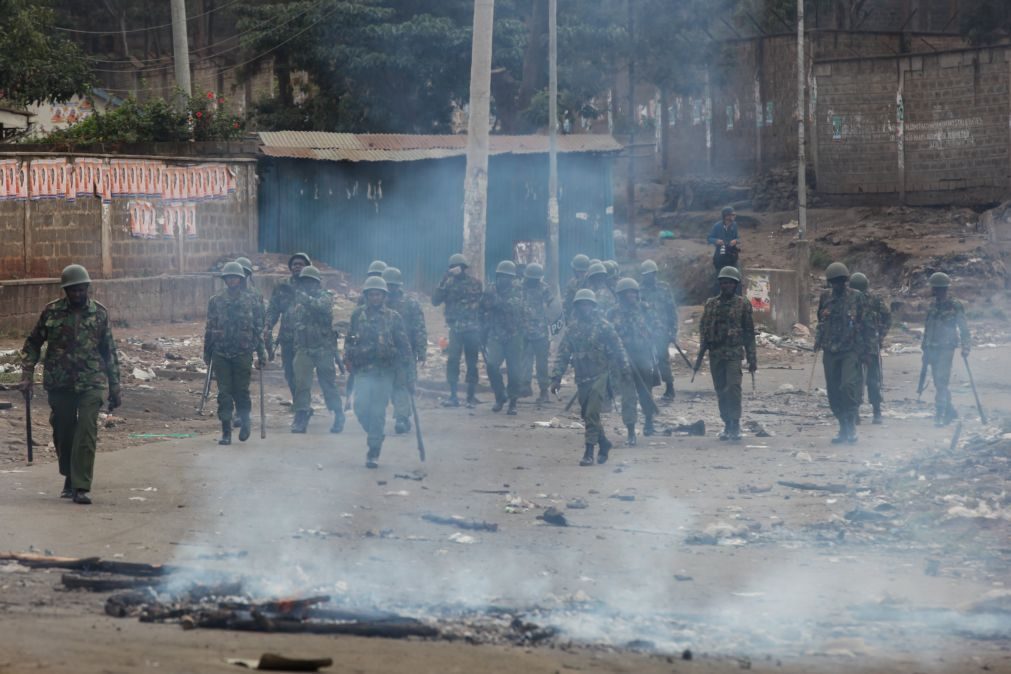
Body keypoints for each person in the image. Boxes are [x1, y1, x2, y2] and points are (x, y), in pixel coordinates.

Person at [19, 264, 121, 505]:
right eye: (72, 290)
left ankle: (81, 486)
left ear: (88, 288)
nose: (77, 294)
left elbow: (109, 352)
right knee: (64, 432)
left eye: (81, 289)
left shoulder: (99, 314)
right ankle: (69, 474)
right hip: (60, 383)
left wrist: (115, 386)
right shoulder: (51, 313)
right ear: (65, 290)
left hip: (91, 382)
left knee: (86, 431)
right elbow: (33, 343)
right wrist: (26, 374)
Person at [550, 289, 631, 466]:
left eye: (588, 304)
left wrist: (625, 370)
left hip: (600, 375)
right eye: (581, 304)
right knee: (587, 414)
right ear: (576, 307)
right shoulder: (572, 329)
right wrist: (556, 377)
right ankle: (604, 444)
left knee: (592, 413)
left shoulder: (604, 326)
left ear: (593, 306)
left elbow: (619, 348)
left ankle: (589, 452)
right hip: (582, 378)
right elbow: (563, 354)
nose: (584, 308)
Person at [344, 276, 415, 468]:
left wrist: (408, 371)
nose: (375, 298)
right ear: (366, 296)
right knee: (360, 406)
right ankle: (376, 433)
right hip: (363, 370)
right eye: (371, 295)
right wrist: (347, 357)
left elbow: (404, 345)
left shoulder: (393, 317)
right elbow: (350, 338)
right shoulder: (358, 315)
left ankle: (373, 449)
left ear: (384, 296)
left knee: (377, 410)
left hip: (385, 371)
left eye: (378, 295)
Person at [204, 262, 266, 445]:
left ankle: (245, 421)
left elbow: (256, 329)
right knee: (224, 393)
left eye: (235, 277)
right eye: (228, 277)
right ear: (225, 280)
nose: (232, 280)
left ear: (241, 279)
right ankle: (225, 431)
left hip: (242, 351)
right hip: (221, 352)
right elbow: (210, 327)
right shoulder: (215, 300)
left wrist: (261, 353)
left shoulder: (251, 300)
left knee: (241, 391)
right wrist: (206, 352)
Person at [815, 262, 872, 444]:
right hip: (830, 350)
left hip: (851, 349)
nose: (838, 285)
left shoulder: (857, 298)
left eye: (841, 281)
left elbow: (867, 325)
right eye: (834, 282)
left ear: (846, 281)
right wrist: (818, 340)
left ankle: (851, 424)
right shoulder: (825, 298)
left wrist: (868, 352)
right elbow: (820, 320)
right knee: (833, 392)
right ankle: (843, 426)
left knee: (848, 386)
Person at [698, 267, 757, 441]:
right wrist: (702, 350)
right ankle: (727, 423)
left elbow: (749, 333)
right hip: (716, 353)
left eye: (730, 282)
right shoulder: (711, 304)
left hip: (733, 354)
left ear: (736, 285)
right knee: (721, 390)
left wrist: (752, 358)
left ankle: (736, 423)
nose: (727, 285)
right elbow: (703, 328)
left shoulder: (742, 304)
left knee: (733, 387)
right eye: (724, 282)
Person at [289, 265, 344, 434]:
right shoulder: (298, 299)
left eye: (311, 282)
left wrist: (302, 298)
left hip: (323, 349)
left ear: (317, 283)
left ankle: (338, 413)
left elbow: (321, 308)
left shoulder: (325, 296)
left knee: (328, 385)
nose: (307, 284)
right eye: (304, 281)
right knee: (301, 384)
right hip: (304, 349)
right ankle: (301, 415)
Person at [608, 278, 659, 445]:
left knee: (646, 392)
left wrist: (648, 337)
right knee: (628, 396)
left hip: (643, 356)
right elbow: (607, 334)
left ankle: (649, 422)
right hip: (623, 359)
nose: (631, 295)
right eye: (627, 292)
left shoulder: (645, 309)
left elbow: (657, 328)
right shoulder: (613, 313)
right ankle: (631, 431)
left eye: (633, 292)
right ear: (621, 295)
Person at [432, 253, 483, 407]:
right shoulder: (447, 283)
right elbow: (435, 301)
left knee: (472, 363)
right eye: (453, 267)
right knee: (453, 361)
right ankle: (453, 396)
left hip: (472, 329)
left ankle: (471, 396)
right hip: (455, 330)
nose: (456, 269)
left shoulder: (475, 283)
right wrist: (443, 280)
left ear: (464, 267)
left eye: (458, 266)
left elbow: (481, 304)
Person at [921, 272, 971, 427]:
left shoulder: (955, 305)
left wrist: (966, 346)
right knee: (937, 381)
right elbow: (928, 327)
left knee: (941, 380)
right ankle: (950, 410)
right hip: (932, 348)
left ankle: (940, 413)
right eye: (936, 289)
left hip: (947, 347)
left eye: (939, 288)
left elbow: (964, 328)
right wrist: (924, 346)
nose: (936, 291)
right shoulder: (932, 305)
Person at [383, 266, 428, 433]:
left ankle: (401, 418)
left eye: (393, 285)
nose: (390, 289)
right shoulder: (376, 303)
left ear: (399, 286)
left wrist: (421, 351)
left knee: (401, 385)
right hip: (383, 353)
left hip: (404, 353)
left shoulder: (410, 304)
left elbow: (419, 328)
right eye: (387, 285)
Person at [481, 260, 526, 415]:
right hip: (495, 334)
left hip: (514, 335)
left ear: (512, 278)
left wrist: (494, 302)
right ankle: (500, 396)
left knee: (515, 372)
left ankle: (513, 402)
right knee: (492, 365)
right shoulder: (491, 290)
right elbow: (483, 307)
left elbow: (513, 307)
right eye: (501, 276)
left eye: (507, 277)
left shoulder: (518, 290)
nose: (503, 279)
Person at [265, 252, 311, 398]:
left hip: (307, 340)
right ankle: (298, 403)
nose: (297, 266)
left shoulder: (313, 285)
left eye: (301, 264)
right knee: (289, 372)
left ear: (307, 267)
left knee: (303, 374)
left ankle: (302, 407)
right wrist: (268, 326)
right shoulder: (282, 286)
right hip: (287, 338)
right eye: (294, 264)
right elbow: (273, 309)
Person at [849, 272, 891, 424]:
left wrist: (881, 336)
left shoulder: (874, 300)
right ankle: (858, 412)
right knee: (857, 380)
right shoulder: (851, 300)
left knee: (871, 380)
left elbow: (887, 317)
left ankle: (876, 411)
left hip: (869, 345)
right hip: (855, 345)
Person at [639, 259, 679, 401]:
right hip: (645, 332)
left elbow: (671, 311)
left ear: (655, 274)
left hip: (661, 331)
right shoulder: (639, 291)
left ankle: (670, 388)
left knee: (663, 360)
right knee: (646, 361)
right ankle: (648, 390)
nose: (649, 277)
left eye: (651, 274)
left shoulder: (664, 288)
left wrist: (673, 331)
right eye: (646, 274)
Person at [519, 263, 554, 404]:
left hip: (540, 331)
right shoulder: (519, 287)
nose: (533, 281)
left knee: (541, 363)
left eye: (535, 279)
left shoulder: (545, 288)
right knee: (524, 359)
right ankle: (525, 386)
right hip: (523, 329)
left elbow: (552, 307)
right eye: (531, 278)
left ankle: (544, 391)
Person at [707, 207, 740, 274]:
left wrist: (735, 241)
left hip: (732, 253)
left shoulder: (734, 225)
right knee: (720, 272)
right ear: (726, 216)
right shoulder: (717, 226)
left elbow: (737, 238)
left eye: (734, 215)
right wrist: (716, 241)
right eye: (732, 215)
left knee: (734, 273)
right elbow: (709, 238)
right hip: (720, 253)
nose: (734, 217)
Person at [562, 254, 591, 323]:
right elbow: (567, 303)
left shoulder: (591, 282)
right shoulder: (572, 283)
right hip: (575, 318)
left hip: (586, 318)